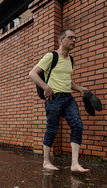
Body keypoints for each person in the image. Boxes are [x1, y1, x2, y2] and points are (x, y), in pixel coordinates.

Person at [29, 29, 89, 172]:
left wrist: (80, 88)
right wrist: (46, 87)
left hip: (68, 98)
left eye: (75, 38)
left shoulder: (71, 60)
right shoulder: (51, 56)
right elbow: (32, 73)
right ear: (61, 40)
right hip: (54, 98)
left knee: (77, 125)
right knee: (52, 129)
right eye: (70, 38)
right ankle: (46, 161)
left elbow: (68, 81)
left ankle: (75, 164)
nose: (74, 40)